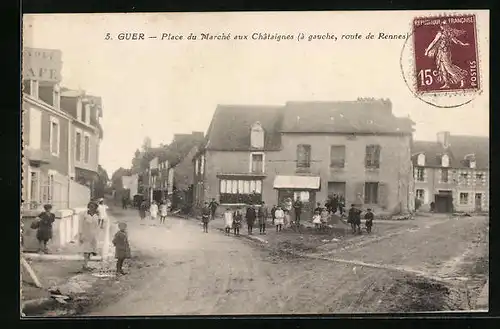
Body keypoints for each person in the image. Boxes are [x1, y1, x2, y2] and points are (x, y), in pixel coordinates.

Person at [79, 201, 100, 271]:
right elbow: (80, 225)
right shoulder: (84, 214)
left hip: (94, 235)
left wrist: (97, 234)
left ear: (95, 208)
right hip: (86, 234)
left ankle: (86, 264)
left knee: (92, 250)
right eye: (90, 206)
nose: (91, 208)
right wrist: (80, 235)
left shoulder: (97, 215)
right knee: (86, 250)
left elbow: (97, 226)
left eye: (93, 207)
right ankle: (85, 265)